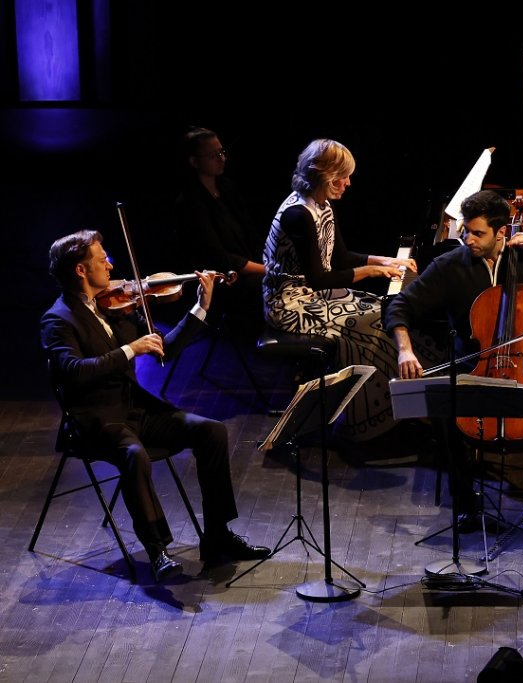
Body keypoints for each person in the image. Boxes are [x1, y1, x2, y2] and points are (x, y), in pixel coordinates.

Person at [40, 230, 271, 583]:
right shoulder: (58, 320)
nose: (111, 265)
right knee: (134, 455)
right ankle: (157, 549)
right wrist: (132, 350)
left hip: (136, 410)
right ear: (80, 271)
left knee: (211, 430)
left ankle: (217, 536)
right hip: (96, 421)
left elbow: (166, 350)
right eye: (102, 260)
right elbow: (73, 372)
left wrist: (201, 307)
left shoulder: (115, 306)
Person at [384, 189, 523, 523]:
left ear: (501, 232)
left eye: (478, 233)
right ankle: (464, 499)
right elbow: (399, 307)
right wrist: (405, 349)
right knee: (441, 404)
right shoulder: (452, 265)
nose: (468, 239)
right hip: (471, 367)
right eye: (466, 230)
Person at [263, 138, 437, 442]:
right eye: (342, 176)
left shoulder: (322, 204)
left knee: (381, 312)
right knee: (366, 327)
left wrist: (384, 259)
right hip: (290, 304)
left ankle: (412, 403)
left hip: (313, 296)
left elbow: (339, 258)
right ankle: (375, 419)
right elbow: (319, 278)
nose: (348, 182)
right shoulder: (298, 214)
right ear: (323, 175)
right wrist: (371, 271)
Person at [174, 126, 266, 328]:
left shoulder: (227, 187)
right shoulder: (190, 202)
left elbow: (251, 234)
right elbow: (218, 257)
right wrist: (266, 270)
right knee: (273, 285)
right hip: (221, 279)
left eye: (222, 152)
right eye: (213, 155)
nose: (222, 159)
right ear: (194, 161)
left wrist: (270, 260)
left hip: (247, 267)